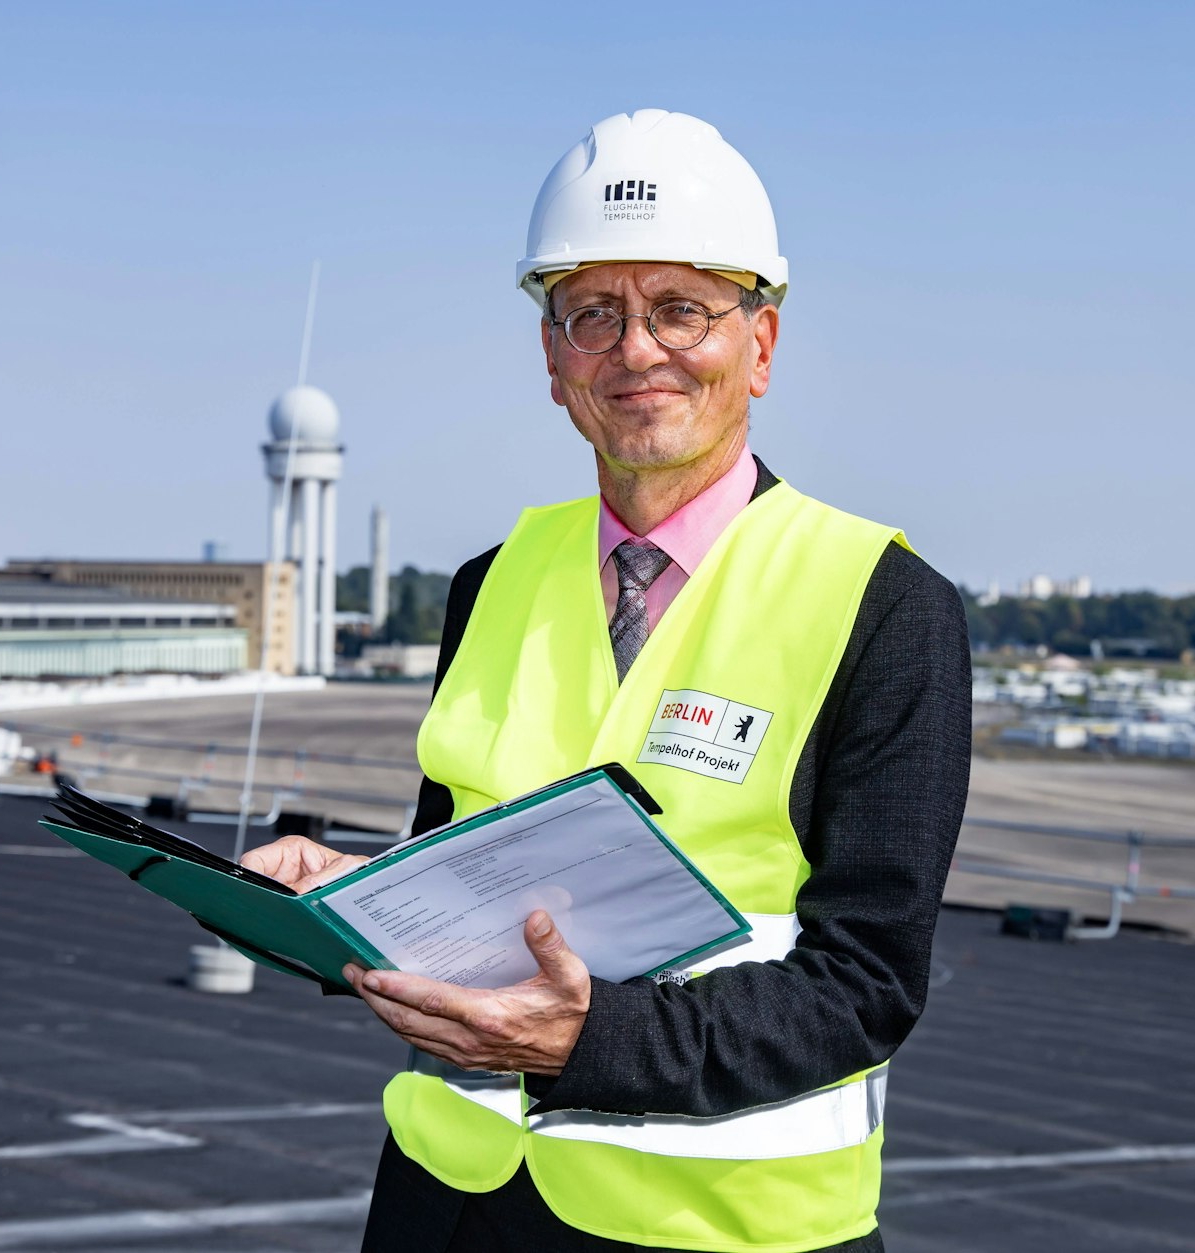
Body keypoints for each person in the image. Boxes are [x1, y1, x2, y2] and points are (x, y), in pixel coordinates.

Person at [244, 108, 971, 1253]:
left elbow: (863, 981)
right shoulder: (490, 581)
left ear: (761, 345)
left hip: (728, 1230)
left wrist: (584, 1042)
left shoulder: (882, 604)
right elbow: (458, 873)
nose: (637, 349)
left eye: (682, 306)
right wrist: (348, 892)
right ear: (552, 359)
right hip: (447, 1201)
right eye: (594, 312)